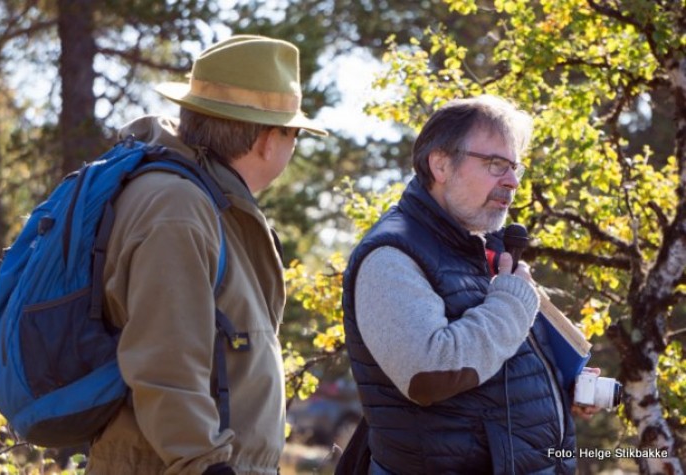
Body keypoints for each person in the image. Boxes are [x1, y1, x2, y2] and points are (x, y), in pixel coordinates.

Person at [85, 35, 326, 475]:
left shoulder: (203, 202)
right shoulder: (178, 208)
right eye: (294, 133)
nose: (294, 147)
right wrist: (205, 464)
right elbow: (164, 361)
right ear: (267, 141)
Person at [342, 95, 594, 474]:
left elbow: (492, 368)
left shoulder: (477, 244)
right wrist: (512, 303)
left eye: (515, 168)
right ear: (441, 164)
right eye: (496, 165)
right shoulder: (391, 255)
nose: (511, 182)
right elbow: (428, 371)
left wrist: (559, 385)